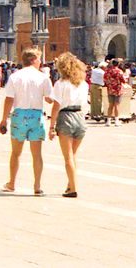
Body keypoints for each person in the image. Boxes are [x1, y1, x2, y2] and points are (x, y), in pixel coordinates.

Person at [0, 48, 53, 196]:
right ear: (33, 59)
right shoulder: (43, 77)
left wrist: (4, 119)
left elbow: (9, 99)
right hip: (36, 116)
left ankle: (11, 183)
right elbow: (49, 99)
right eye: (39, 59)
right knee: (37, 154)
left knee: (16, 153)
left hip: (19, 115)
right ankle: (37, 186)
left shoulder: (16, 76)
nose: (41, 62)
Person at [48, 52, 88, 198]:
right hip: (80, 117)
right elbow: (84, 104)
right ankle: (70, 185)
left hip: (65, 116)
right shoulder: (84, 84)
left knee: (68, 157)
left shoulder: (61, 84)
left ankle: (73, 189)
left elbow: (56, 106)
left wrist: (51, 127)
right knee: (73, 155)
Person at [103, 59, 125, 126]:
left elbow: (104, 79)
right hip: (118, 90)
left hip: (110, 89)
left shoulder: (108, 71)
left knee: (110, 105)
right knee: (117, 105)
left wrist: (109, 83)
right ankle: (116, 121)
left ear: (112, 63)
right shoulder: (119, 71)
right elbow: (123, 80)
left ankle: (108, 121)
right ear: (118, 64)